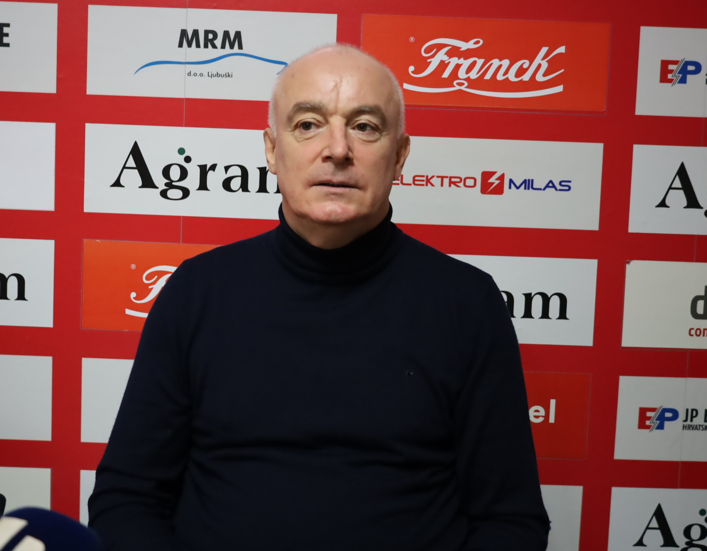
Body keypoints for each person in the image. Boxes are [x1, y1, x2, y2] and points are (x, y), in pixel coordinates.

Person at [89, 44, 550, 551]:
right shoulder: (197, 291)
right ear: (272, 150)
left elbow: (511, 521)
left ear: (399, 156)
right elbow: (126, 498)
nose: (337, 149)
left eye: (365, 127)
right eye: (307, 124)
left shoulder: (467, 303)